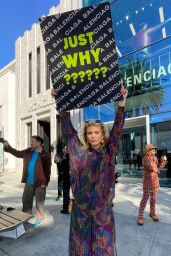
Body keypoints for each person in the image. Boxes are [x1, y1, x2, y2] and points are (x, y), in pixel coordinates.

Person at [51, 85, 128, 256]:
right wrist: (61, 104)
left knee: (103, 249)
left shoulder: (108, 153)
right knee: (81, 249)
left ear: (102, 135)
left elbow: (117, 131)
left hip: (102, 212)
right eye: (89, 133)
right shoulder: (79, 154)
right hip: (81, 212)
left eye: (96, 133)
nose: (93, 136)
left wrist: (121, 105)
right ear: (85, 136)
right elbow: (69, 133)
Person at [2, 136, 51, 223]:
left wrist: (45, 182)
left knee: (39, 203)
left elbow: (48, 170)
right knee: (26, 201)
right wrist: (7, 146)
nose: (31, 142)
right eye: (30, 141)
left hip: (40, 183)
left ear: (39, 143)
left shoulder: (45, 155)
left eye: (33, 141)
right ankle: (25, 218)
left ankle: (39, 218)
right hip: (29, 182)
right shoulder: (29, 151)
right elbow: (17, 153)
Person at [137, 144, 167, 226]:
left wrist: (163, 161)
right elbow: (152, 168)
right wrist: (158, 166)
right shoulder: (145, 159)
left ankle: (152, 213)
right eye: (152, 150)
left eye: (154, 150)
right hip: (147, 182)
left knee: (153, 199)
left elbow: (159, 169)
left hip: (155, 182)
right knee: (145, 199)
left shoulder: (155, 158)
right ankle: (140, 216)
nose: (154, 151)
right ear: (148, 151)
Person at [54, 145, 71, 214]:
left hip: (69, 177)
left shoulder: (68, 156)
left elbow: (62, 166)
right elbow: (56, 161)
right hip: (66, 176)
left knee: (66, 194)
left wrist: (59, 161)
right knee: (66, 193)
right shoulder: (62, 154)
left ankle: (66, 209)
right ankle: (66, 208)